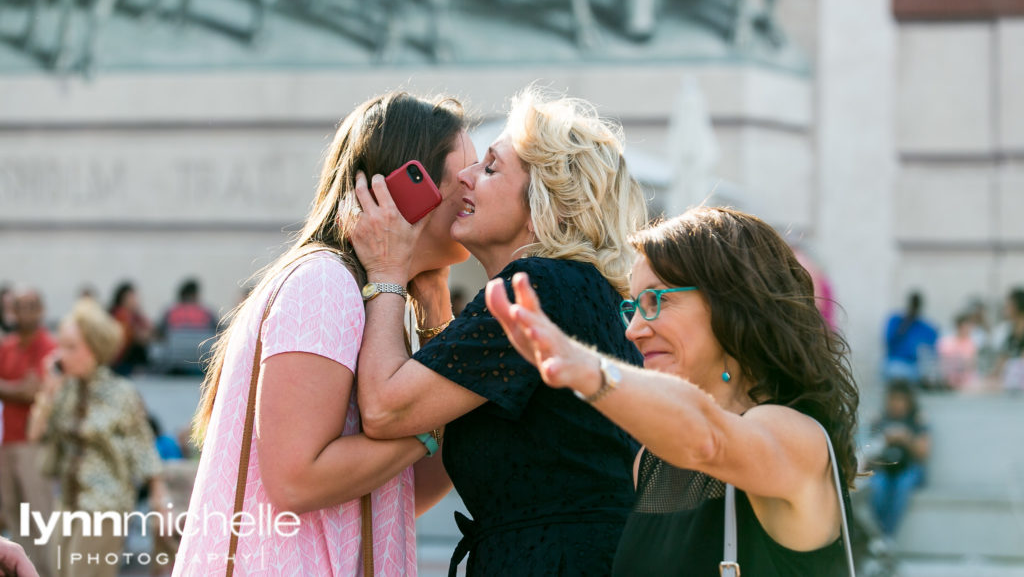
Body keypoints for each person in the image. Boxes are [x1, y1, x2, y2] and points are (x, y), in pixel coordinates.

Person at [175, 92, 474, 576]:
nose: (475, 186)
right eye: (464, 173)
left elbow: (406, 488)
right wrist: (426, 423)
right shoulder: (324, 284)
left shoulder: (378, 297)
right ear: (407, 189)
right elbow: (298, 479)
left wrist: (435, 306)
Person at [351, 88, 648, 575]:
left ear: (545, 204)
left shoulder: (535, 288)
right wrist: (433, 305)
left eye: (489, 168)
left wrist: (386, 270)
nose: (463, 177)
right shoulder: (584, 289)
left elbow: (385, 408)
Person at [487, 206, 860, 575]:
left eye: (656, 300)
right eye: (631, 307)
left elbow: (710, 440)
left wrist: (585, 367)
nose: (633, 329)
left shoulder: (797, 438)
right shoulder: (650, 461)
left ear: (732, 303)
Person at [28, 298, 168, 577]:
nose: (61, 354)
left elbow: (142, 447)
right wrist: (48, 392)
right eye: (61, 346)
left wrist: (158, 494)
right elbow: (36, 435)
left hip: (106, 503)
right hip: (69, 500)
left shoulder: (120, 393)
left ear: (93, 348)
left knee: (82, 571)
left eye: (71, 347)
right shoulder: (66, 390)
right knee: (59, 570)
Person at [0, 289, 56, 576]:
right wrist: (15, 388)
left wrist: (11, 388)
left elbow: (33, 390)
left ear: (41, 310)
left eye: (32, 306)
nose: (26, 313)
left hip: (34, 445)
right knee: (14, 516)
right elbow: (20, 389)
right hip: (6, 443)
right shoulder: (6, 346)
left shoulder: (47, 345)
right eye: (21, 307)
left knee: (40, 518)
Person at [866, 379, 929, 539]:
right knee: (877, 487)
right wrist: (884, 440)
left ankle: (886, 536)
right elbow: (866, 451)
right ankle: (877, 534)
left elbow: (923, 453)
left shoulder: (917, 420)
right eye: (894, 399)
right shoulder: (879, 419)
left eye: (901, 400)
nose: (897, 404)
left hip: (908, 468)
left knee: (903, 486)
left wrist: (906, 438)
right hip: (883, 468)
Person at [883, 291, 939, 386]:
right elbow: (889, 341)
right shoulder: (896, 321)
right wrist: (906, 323)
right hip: (896, 362)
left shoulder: (925, 327)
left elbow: (933, 347)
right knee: (897, 371)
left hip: (916, 366)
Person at [108, 282, 153, 375]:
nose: (135, 300)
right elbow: (140, 336)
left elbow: (149, 330)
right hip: (121, 361)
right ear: (123, 299)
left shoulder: (133, 315)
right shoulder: (120, 314)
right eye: (131, 297)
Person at [936, 313, 977, 390]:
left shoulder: (971, 344)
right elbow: (942, 363)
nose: (969, 329)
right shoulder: (945, 342)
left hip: (966, 381)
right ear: (959, 326)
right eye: (967, 326)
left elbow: (971, 365)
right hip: (947, 380)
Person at [995, 287, 1024, 392]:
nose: (1005, 308)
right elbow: (1000, 363)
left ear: (1017, 306)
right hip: (1010, 388)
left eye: (1008, 305)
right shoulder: (1009, 334)